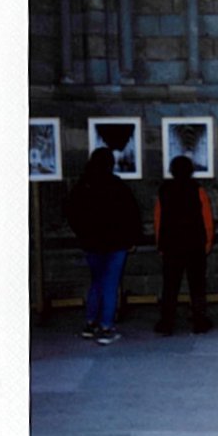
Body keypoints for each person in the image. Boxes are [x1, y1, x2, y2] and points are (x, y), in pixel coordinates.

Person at [66, 147, 142, 345]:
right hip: (116, 243)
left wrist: (83, 235)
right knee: (110, 284)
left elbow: (72, 213)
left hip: (91, 243)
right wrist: (132, 239)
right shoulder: (117, 186)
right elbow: (131, 214)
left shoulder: (83, 185)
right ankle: (106, 327)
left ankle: (91, 323)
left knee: (96, 282)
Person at [153, 155, 215, 336]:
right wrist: (208, 242)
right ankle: (199, 321)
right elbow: (207, 219)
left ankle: (167, 322)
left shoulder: (164, 190)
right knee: (197, 286)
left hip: (171, 245)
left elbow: (158, 219)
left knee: (170, 286)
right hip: (195, 244)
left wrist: (160, 244)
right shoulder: (198, 190)